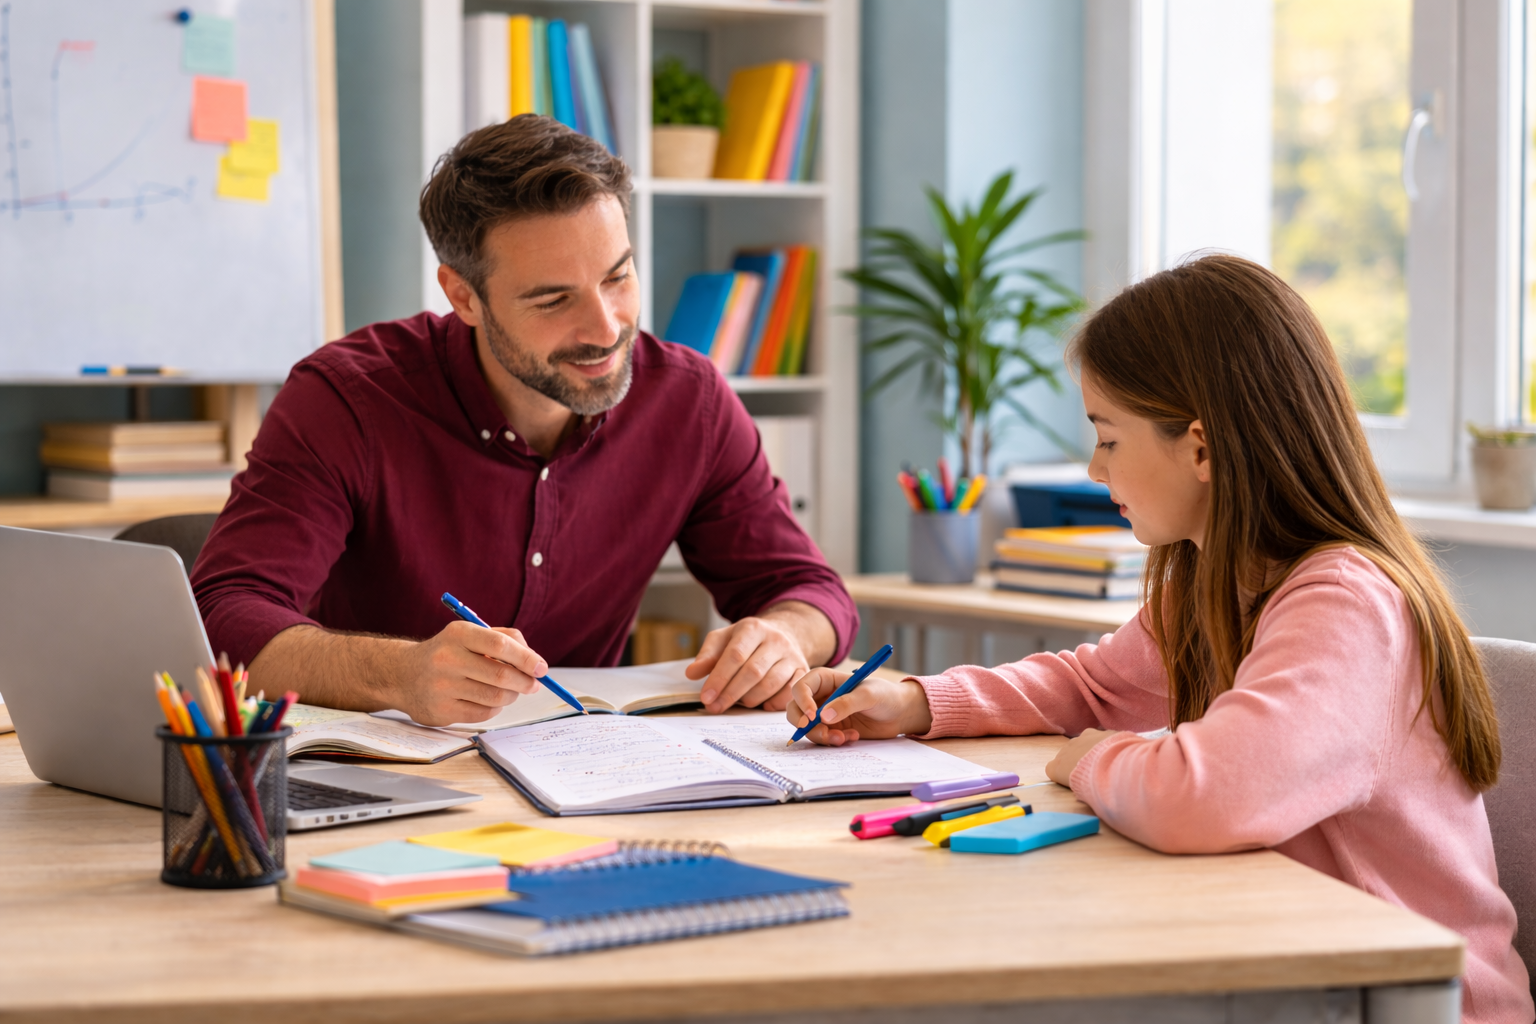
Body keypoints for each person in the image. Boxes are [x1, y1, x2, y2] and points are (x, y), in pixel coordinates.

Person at [785, 254, 1533, 1023]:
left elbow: (1205, 797)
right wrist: (913, 702)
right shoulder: (1221, 582)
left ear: (1201, 448)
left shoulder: (1345, 608)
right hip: (1298, 980)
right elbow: (1092, 686)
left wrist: (1092, 758)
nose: (1094, 468)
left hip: (1418, 1005)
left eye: (1108, 439)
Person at [192, 115, 857, 727]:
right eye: (553, 300)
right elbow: (222, 615)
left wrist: (785, 635)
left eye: (618, 277)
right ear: (464, 296)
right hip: (390, 778)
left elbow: (810, 590)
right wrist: (400, 673)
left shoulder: (689, 401)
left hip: (594, 773)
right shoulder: (346, 400)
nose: (606, 329)